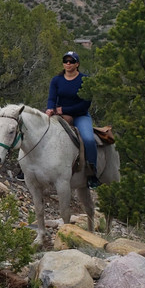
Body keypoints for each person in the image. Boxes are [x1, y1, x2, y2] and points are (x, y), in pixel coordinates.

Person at [45, 50, 99, 188]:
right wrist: (50, 108)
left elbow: (85, 104)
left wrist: (65, 110)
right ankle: (25, 168)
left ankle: (92, 172)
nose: (68, 64)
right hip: (59, 113)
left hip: (80, 115)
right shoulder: (56, 80)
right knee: (40, 131)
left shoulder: (85, 80)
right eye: (66, 61)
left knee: (88, 139)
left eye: (72, 61)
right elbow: (52, 98)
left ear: (77, 64)